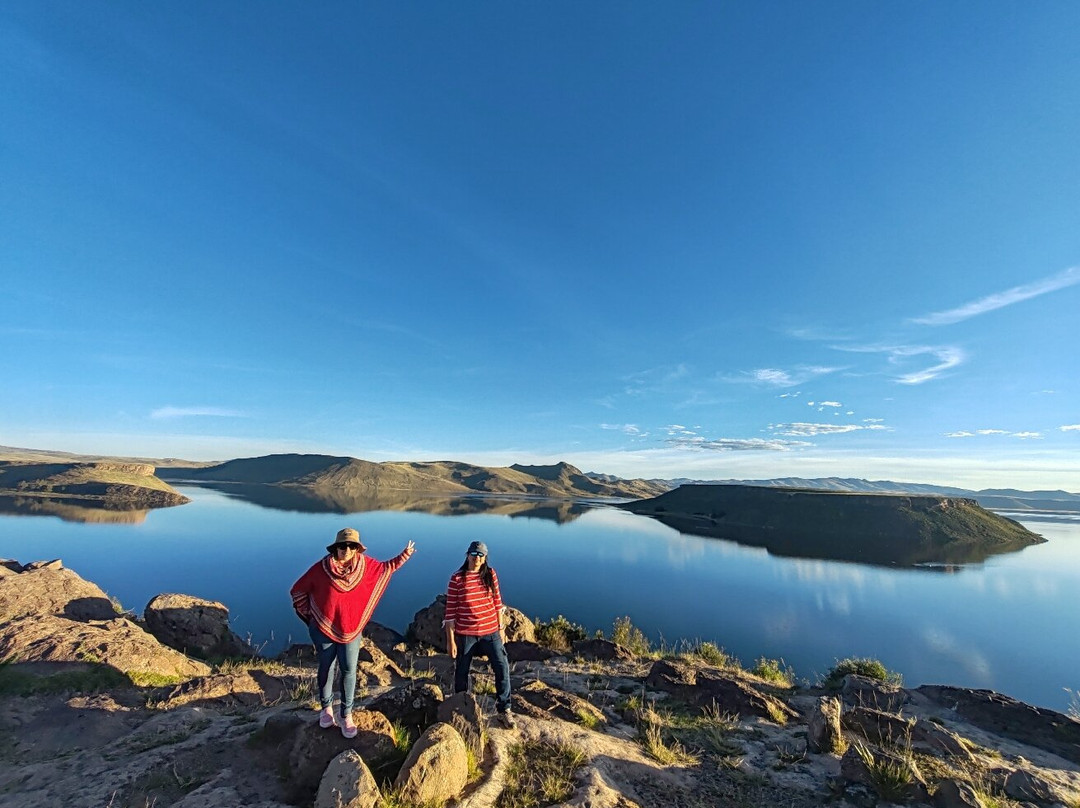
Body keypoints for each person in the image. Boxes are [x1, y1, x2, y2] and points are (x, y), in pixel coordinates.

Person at [290, 527, 415, 738]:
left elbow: (387, 568)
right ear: (335, 548)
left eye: (351, 546)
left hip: (351, 630)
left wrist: (404, 555)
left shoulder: (365, 566)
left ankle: (346, 714)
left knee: (349, 669)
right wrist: (311, 616)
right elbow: (298, 590)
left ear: (357, 549)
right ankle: (326, 709)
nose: (346, 550)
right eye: (342, 546)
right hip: (323, 629)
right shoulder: (321, 569)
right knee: (326, 667)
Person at [443, 540, 514, 728]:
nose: (477, 559)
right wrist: (451, 641)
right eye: (474, 555)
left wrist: (501, 629)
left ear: (485, 558)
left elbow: (498, 603)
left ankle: (504, 709)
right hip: (467, 634)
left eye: (480, 556)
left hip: (491, 632)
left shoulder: (490, 575)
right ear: (467, 555)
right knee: (462, 671)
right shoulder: (457, 579)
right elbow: (450, 613)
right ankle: (460, 707)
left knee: (502, 667)